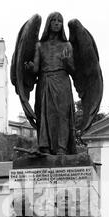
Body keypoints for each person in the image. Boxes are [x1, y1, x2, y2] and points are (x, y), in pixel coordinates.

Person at [25, 12, 77, 155]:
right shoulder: (40, 45)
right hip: (45, 81)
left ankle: (62, 148)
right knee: (45, 115)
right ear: (48, 23)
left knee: (62, 115)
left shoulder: (67, 45)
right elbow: (36, 68)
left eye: (59, 21)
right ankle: (45, 147)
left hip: (62, 81)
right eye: (53, 20)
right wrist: (30, 67)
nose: (56, 23)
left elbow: (73, 70)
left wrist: (67, 62)